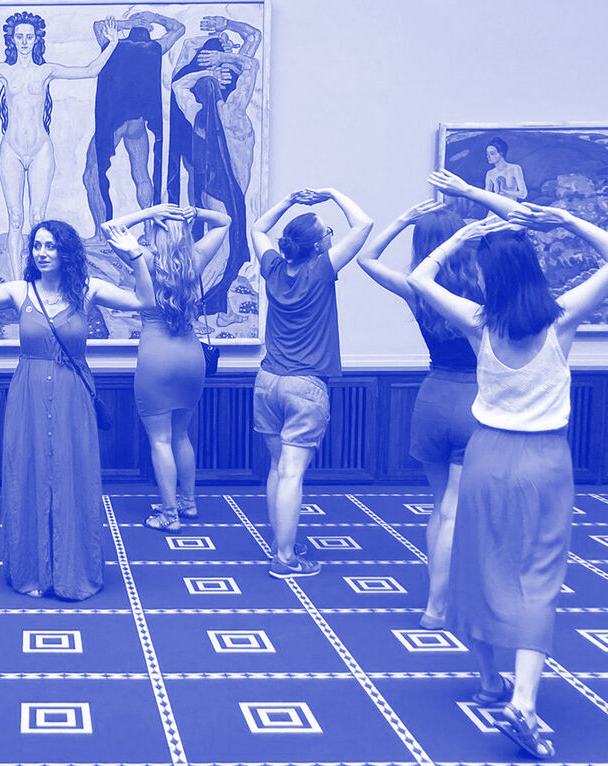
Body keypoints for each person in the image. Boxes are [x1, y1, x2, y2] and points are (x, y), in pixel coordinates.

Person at [411, 169, 608, 759]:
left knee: (479, 566)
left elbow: (420, 278)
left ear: (489, 279)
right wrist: (565, 218)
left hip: (487, 455)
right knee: (537, 578)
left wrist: (462, 234)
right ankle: (523, 701)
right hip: (545, 461)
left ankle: (489, 681)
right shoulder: (561, 318)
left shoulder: (477, 322)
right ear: (535, 272)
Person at [0, 219, 155, 600]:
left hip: (72, 398)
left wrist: (135, 257)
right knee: (27, 475)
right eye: (37, 246)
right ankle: (32, 572)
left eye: (51, 246)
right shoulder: (20, 291)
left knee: (72, 475)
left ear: (66, 252)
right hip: (26, 396)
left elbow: (145, 302)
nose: (42, 253)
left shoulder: (88, 290)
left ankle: (71, 572)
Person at [357, 200, 483, 628]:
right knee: (456, 510)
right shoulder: (483, 292)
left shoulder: (418, 290)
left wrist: (401, 219)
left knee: (439, 506)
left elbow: (367, 259)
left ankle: (435, 603)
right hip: (475, 401)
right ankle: (445, 602)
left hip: (432, 400)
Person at [0, 14, 122, 280]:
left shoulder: (46, 71)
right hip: (10, 150)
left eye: (29, 37)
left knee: (37, 218)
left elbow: (90, 70)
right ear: (12, 39)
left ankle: (38, 279)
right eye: (19, 36)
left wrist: (112, 44)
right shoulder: (4, 71)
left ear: (36, 40)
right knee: (15, 218)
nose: (24, 41)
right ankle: (18, 281)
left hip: (41, 150)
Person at [249, 188, 373, 578]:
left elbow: (258, 228)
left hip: (267, 382)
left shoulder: (272, 268)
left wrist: (289, 201)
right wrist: (332, 194)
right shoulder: (320, 269)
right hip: (305, 388)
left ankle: (280, 543)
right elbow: (364, 224)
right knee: (292, 472)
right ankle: (285, 558)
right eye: (328, 233)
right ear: (318, 246)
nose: (332, 236)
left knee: (277, 467)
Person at [101, 203, 231, 529]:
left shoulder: (144, 259)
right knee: (181, 435)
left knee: (160, 440)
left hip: (156, 357)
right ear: (185, 233)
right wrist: (195, 212)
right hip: (191, 357)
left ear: (155, 232)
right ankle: (188, 502)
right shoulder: (195, 259)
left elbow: (109, 228)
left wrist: (150, 212)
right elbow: (225, 221)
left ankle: (169, 515)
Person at [167, 18, 261, 317]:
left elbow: (180, 85)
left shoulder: (200, 111)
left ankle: (215, 303)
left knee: (221, 243)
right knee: (224, 246)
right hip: (223, 185)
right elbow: (251, 66)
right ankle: (195, 299)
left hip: (218, 184)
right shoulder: (231, 110)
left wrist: (210, 67)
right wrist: (218, 62)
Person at [80, 12, 184, 236]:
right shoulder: (156, 48)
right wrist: (155, 18)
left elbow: (98, 24)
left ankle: (100, 233)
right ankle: (148, 231)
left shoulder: (113, 45)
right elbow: (179, 28)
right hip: (137, 123)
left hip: (113, 122)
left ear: (130, 29)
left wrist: (129, 22)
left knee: (91, 173)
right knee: (141, 174)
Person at [484, 137, 527, 201]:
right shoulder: (490, 173)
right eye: (487, 154)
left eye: (492, 153)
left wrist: (504, 191)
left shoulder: (515, 168)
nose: (488, 157)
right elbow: (486, 196)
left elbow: (523, 194)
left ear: (501, 154)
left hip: (511, 205)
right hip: (495, 205)